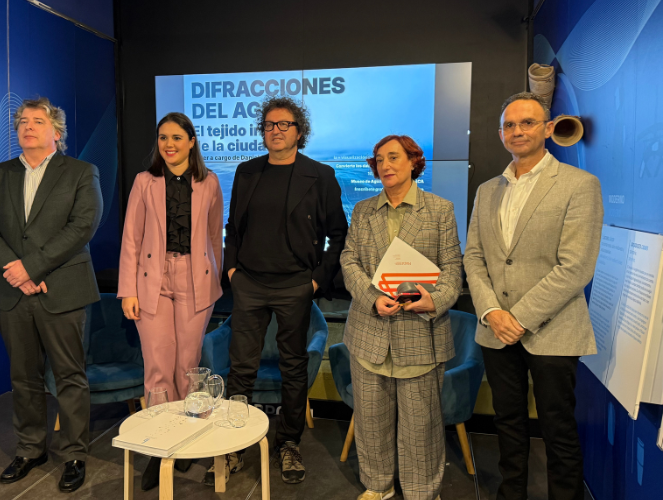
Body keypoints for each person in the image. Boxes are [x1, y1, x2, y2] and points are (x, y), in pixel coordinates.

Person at [463, 92, 603, 500]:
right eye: (509, 125)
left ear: (548, 129)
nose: (517, 131)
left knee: (558, 429)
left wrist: (519, 318)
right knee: (507, 423)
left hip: (553, 330)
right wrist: (492, 311)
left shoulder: (580, 185)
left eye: (527, 123)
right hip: (496, 331)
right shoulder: (487, 190)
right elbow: (474, 256)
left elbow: (576, 266)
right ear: (500, 134)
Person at [0, 97, 103, 493]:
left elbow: (82, 226)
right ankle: (30, 449)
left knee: (69, 376)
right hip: (13, 291)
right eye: (23, 121)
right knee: (23, 377)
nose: (28, 127)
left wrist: (32, 267)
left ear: (56, 132)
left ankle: (75, 454)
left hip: (61, 288)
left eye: (37, 121)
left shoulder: (80, 172)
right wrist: (16, 271)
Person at [220, 95, 347, 485]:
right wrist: (232, 269)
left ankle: (289, 442)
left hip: (295, 285)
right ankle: (235, 443)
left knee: (293, 368)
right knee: (241, 368)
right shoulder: (247, 171)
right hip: (249, 283)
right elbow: (233, 228)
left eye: (284, 124)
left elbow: (338, 233)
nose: (275, 130)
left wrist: (316, 279)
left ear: (299, 131)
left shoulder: (320, 175)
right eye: (269, 125)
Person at [340, 135, 460, 500]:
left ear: (413, 161)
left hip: (420, 332)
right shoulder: (363, 210)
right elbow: (349, 260)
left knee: (421, 427)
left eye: (394, 157)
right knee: (371, 422)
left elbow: (453, 269)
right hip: (369, 333)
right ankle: (378, 486)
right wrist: (372, 298)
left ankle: (422, 491)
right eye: (379, 160)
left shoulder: (440, 210)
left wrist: (433, 300)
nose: (385, 165)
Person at [118, 112, 224, 490]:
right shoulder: (144, 181)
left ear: (191, 142)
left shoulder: (210, 182)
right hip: (152, 280)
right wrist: (128, 290)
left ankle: (188, 438)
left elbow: (215, 237)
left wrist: (212, 280)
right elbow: (131, 238)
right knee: (157, 367)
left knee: (187, 366)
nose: (169, 144)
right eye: (163, 137)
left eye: (177, 137)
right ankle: (159, 447)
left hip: (196, 279)